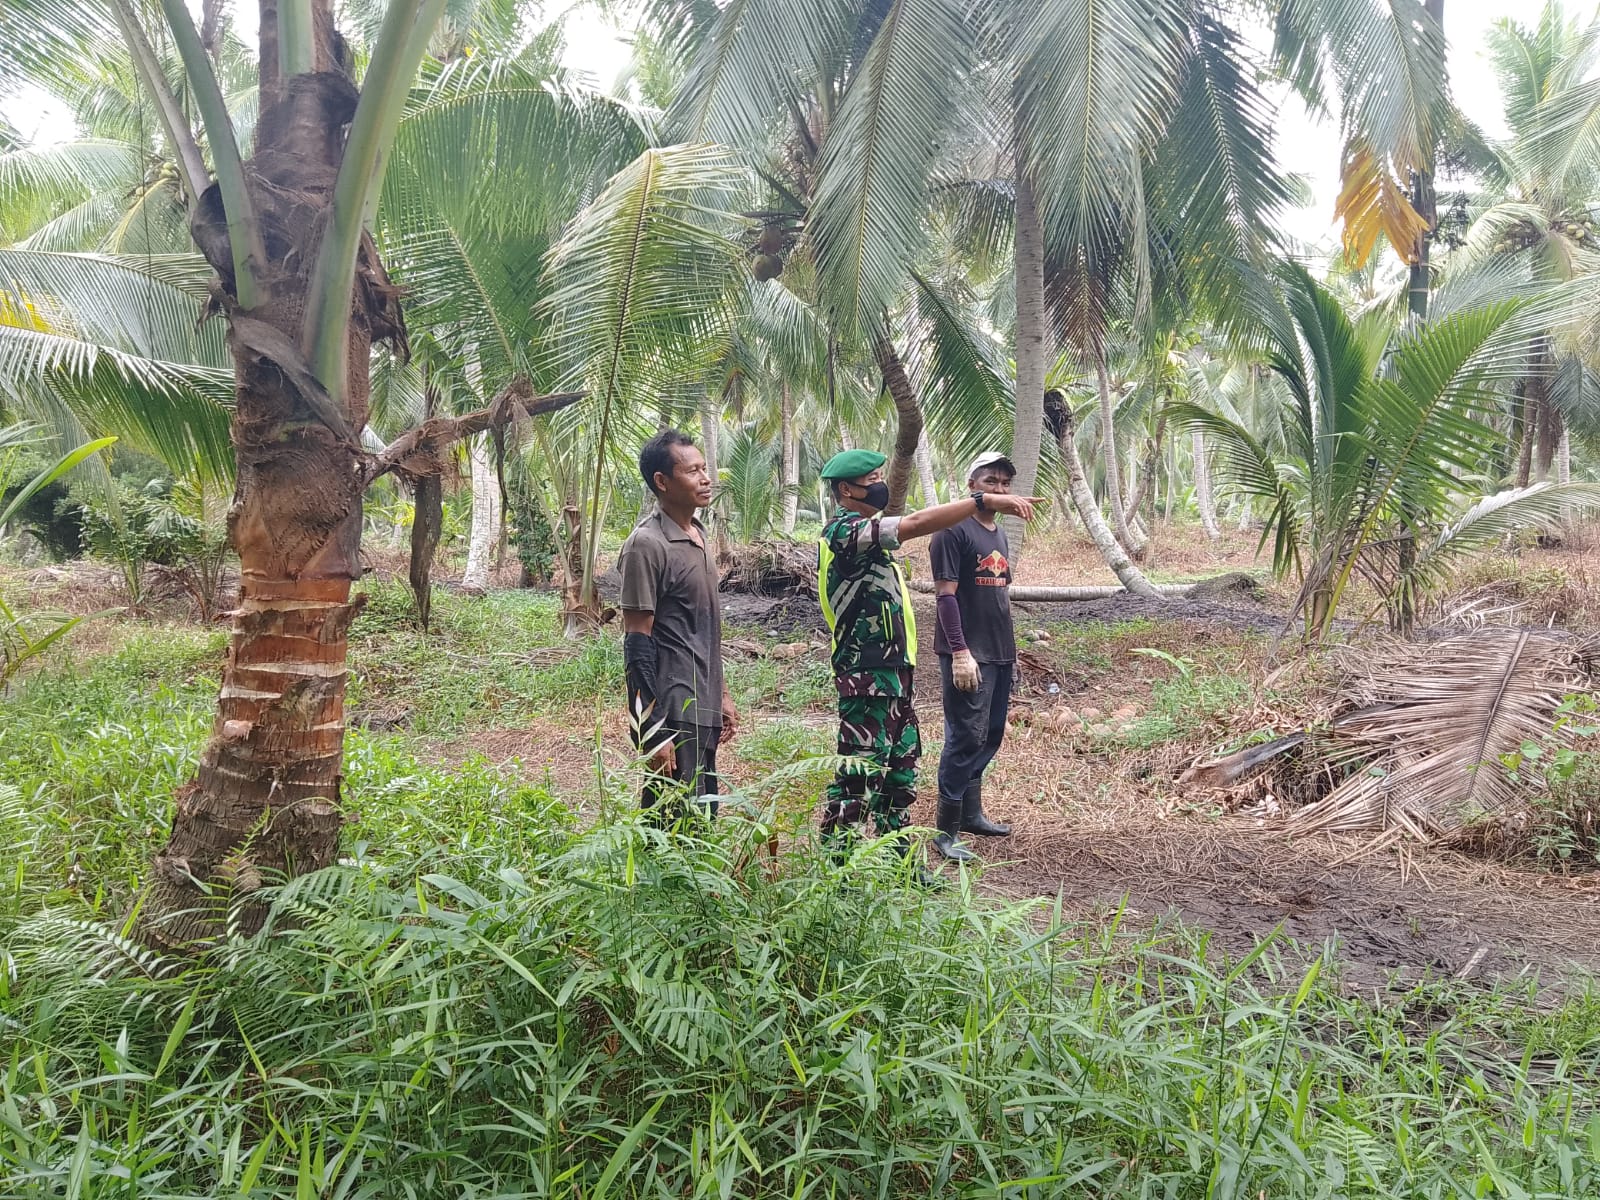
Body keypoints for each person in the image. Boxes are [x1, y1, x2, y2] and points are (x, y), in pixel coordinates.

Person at [815, 448, 1039, 870]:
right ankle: (837, 870)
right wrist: (982, 502)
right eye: (872, 479)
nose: (881, 485)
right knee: (860, 772)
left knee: (899, 770)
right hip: (864, 674)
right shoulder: (842, 531)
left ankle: (902, 866)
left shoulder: (869, 541)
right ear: (846, 489)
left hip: (892, 674)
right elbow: (917, 525)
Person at [619, 429, 737, 821]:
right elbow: (636, 644)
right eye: (692, 471)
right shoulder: (646, 545)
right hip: (673, 704)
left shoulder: (698, 535)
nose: (705, 478)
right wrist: (651, 729)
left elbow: (701, 628)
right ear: (662, 482)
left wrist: (722, 693)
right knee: (673, 821)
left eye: (705, 468)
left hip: (703, 701)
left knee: (703, 815)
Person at [929, 451, 1020, 862]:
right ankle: (945, 831)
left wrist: (1008, 654)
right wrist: (960, 652)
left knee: (991, 733)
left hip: (999, 651)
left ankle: (972, 813)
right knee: (964, 737)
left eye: (1004, 483)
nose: (999, 489)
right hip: (968, 653)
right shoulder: (951, 530)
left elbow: (996, 595)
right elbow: (945, 598)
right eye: (990, 481)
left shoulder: (998, 534)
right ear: (972, 486)